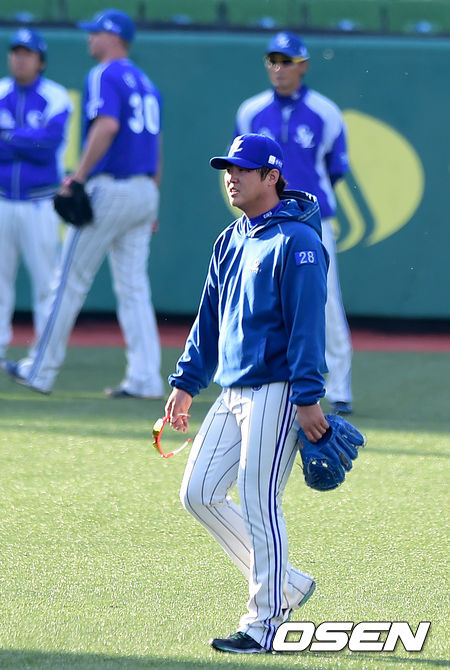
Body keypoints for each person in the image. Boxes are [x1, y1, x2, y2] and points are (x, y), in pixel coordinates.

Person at [165, 133, 329, 654]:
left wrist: (308, 397)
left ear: (271, 177)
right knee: (198, 492)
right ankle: (287, 583)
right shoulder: (230, 238)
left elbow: (307, 326)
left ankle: (265, 624)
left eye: (242, 169)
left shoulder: (298, 242)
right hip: (232, 388)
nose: (231, 177)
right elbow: (209, 318)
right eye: (227, 169)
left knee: (259, 501)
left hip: (279, 390)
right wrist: (186, 384)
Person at [3, 9, 163, 398]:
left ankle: (39, 370)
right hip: (143, 189)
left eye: (96, 32)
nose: (89, 38)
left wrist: (78, 177)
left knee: (69, 281)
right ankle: (146, 378)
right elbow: (155, 145)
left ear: (114, 37)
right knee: (134, 288)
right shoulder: (146, 82)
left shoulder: (104, 75)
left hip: (112, 187)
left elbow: (107, 125)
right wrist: (153, 199)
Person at [234, 31, 353, 415]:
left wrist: (305, 203)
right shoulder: (251, 111)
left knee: (324, 299)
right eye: (273, 60)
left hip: (311, 222)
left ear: (303, 66)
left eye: (287, 61)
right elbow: (241, 168)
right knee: (260, 299)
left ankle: (340, 389)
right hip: (266, 222)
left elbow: (335, 169)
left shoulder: (325, 111)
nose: (278, 68)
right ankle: (260, 379)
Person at [0, 29, 72, 367]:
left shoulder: (55, 97)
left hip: (40, 201)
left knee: (46, 280)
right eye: (16, 52)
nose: (20, 59)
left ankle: (45, 350)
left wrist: (7, 137)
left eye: (28, 53)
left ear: (41, 61)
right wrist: (24, 140)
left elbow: (47, 146)